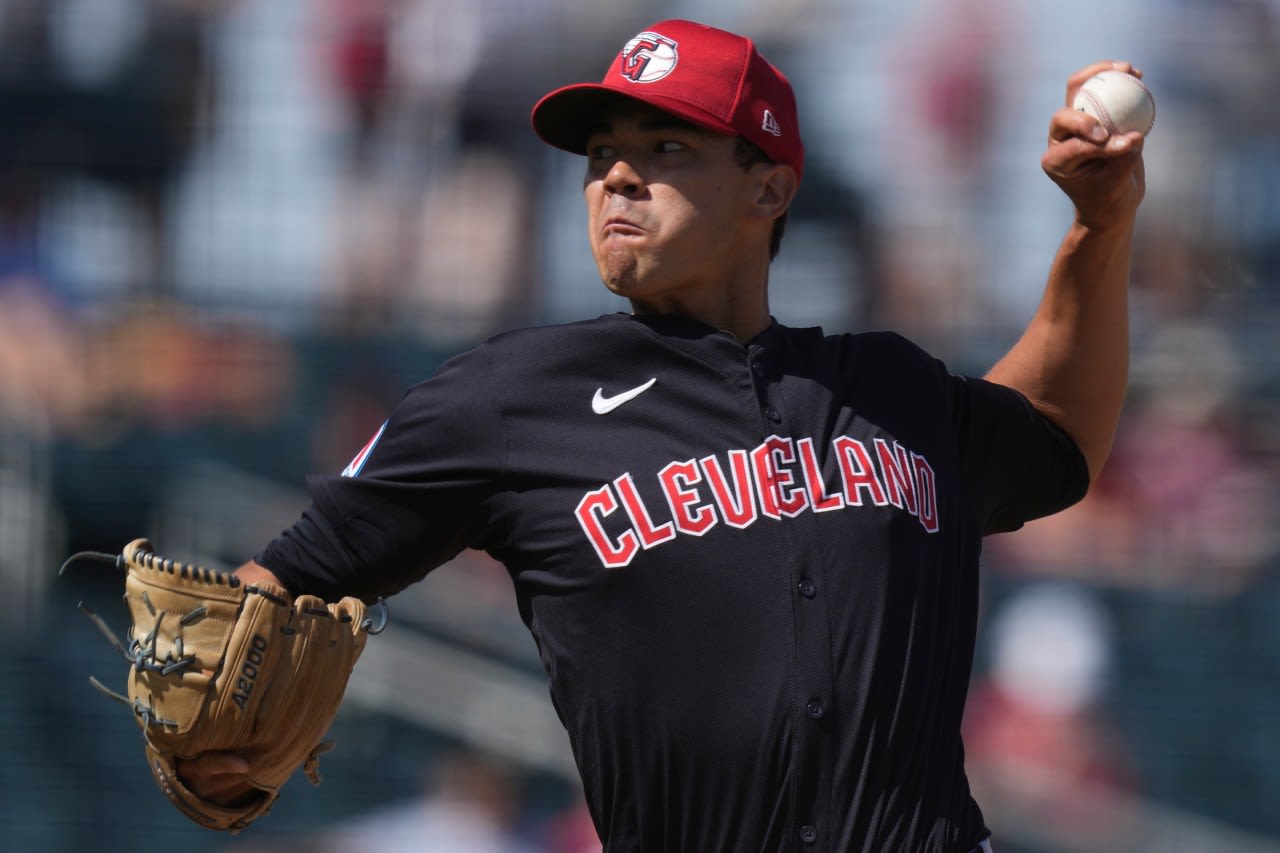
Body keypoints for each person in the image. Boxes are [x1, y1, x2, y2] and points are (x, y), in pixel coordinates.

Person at [177, 19, 1146, 853]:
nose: (617, 178)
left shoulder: (888, 385)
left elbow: (1053, 430)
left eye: (665, 147)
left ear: (766, 191)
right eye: (601, 154)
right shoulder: (510, 397)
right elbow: (290, 575)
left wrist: (1095, 229)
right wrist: (210, 730)